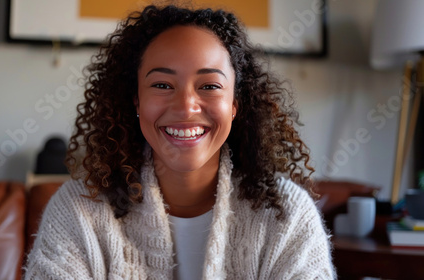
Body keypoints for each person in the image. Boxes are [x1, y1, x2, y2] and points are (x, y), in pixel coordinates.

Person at [24, 4, 336, 280]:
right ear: (136, 100)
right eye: (162, 84)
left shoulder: (286, 215)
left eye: (210, 85)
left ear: (235, 104)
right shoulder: (78, 211)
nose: (186, 107)